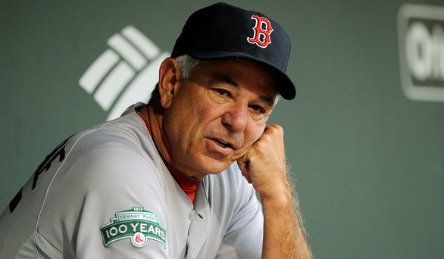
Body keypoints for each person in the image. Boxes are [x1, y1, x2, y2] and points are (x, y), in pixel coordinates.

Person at [0, 3, 311, 259]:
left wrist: (279, 196)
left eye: (257, 108)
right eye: (222, 92)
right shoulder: (116, 167)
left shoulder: (228, 182)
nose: (238, 122)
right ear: (170, 82)